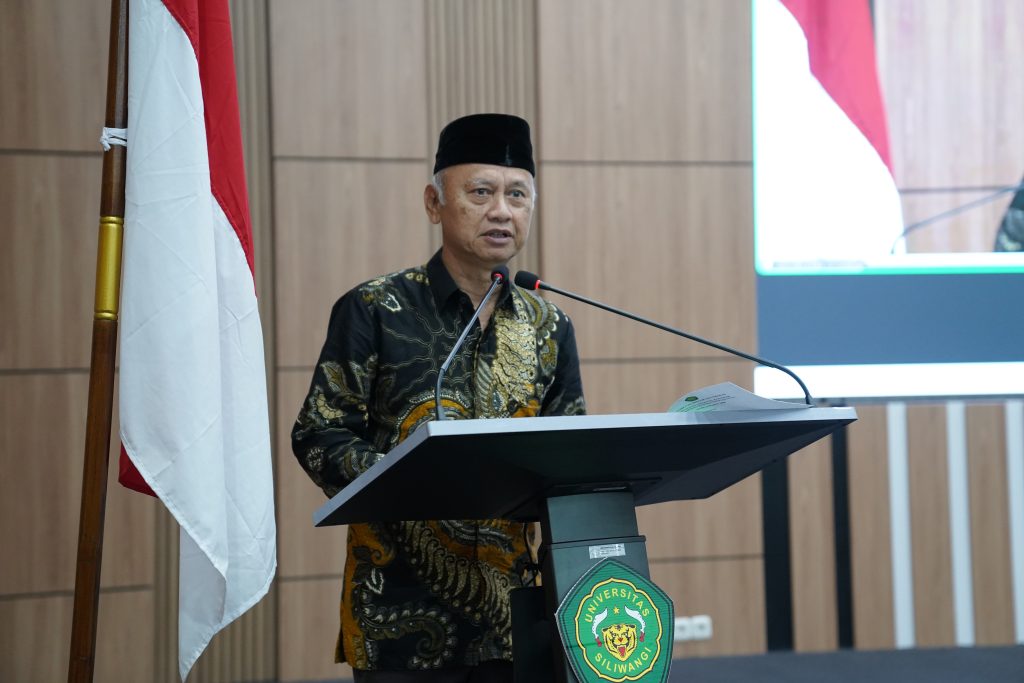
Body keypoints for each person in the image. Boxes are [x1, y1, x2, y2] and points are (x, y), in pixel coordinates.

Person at [292, 113, 586, 682]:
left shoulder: (550, 326)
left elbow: (568, 453)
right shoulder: (376, 309)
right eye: (481, 192)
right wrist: (413, 478)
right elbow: (320, 433)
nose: (501, 211)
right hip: (399, 618)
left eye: (517, 195)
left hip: (515, 620)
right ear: (434, 204)